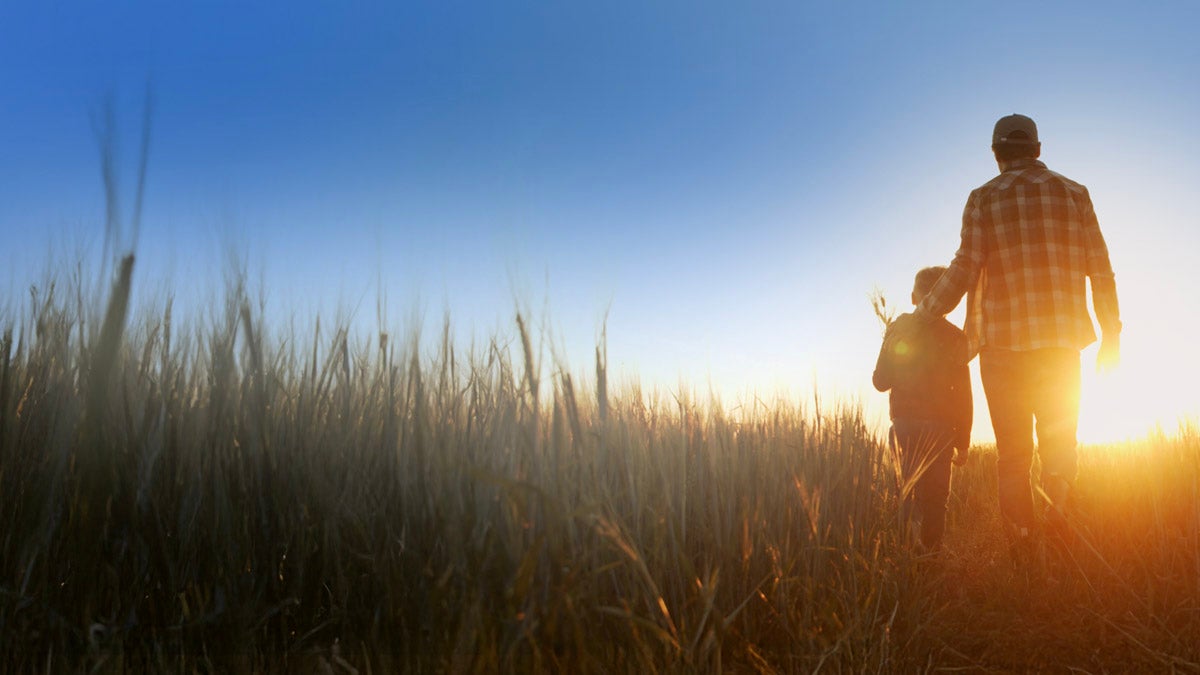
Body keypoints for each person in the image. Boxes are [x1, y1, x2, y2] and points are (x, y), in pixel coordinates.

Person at [915, 113, 1121, 551]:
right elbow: (1101, 272)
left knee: (1012, 451)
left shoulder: (982, 199)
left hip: (1002, 348)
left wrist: (924, 315)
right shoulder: (1074, 194)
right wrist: (1111, 336)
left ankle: (1025, 540)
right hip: (1061, 345)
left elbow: (965, 267)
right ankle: (1059, 510)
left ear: (996, 154)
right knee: (1060, 437)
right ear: (1039, 150)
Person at [873, 265, 972, 552]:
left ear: (914, 298)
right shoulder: (956, 337)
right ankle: (931, 554)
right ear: (947, 302)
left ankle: (903, 555)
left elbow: (881, 382)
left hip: (903, 425)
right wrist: (963, 441)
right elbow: (964, 394)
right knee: (936, 497)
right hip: (940, 429)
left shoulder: (898, 328)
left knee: (904, 492)